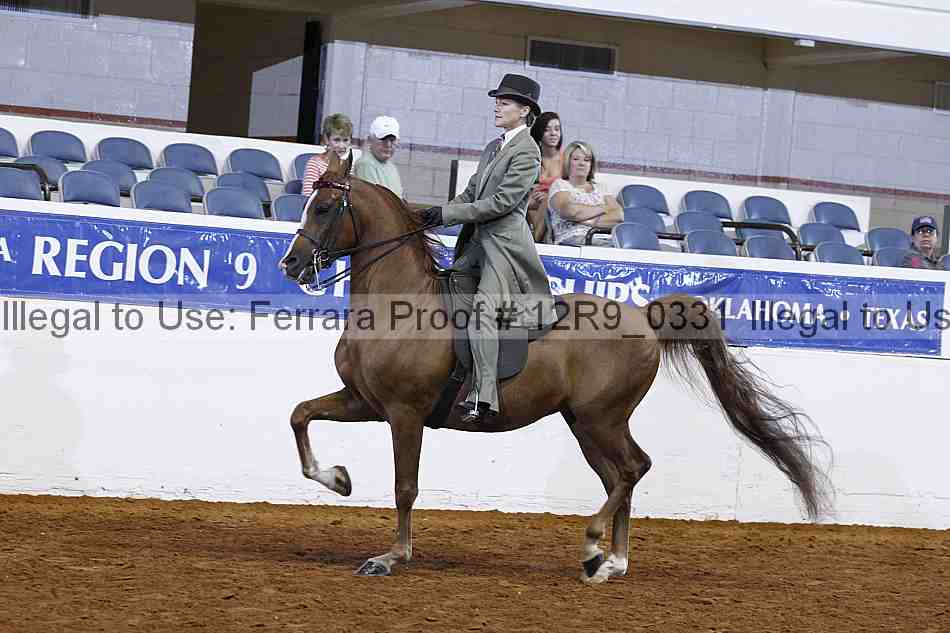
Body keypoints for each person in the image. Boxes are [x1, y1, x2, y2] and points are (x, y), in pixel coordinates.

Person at [417, 74, 556, 424]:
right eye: (497, 101)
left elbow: (501, 203)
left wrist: (447, 215)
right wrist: (432, 215)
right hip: (477, 243)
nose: (497, 107)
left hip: (504, 248)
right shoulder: (494, 147)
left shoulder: (528, 152)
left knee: (483, 311)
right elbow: (471, 193)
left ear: (524, 111)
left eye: (505, 102)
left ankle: (484, 394)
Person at [546, 141, 623, 246]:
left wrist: (585, 220)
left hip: (604, 238)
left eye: (587, 160)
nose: (581, 163)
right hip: (573, 239)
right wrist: (604, 208)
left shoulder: (601, 187)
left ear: (591, 165)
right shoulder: (560, 185)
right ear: (568, 162)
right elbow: (571, 212)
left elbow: (619, 217)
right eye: (576, 159)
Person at [526, 112, 563, 242]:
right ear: (539, 133)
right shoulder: (531, 160)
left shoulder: (567, 159)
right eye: (547, 130)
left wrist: (548, 196)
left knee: (547, 200)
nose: (553, 133)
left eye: (557, 129)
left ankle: (535, 240)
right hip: (533, 206)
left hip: (558, 208)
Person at [302, 113, 353, 197]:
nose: (342, 146)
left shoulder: (350, 166)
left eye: (345, 140)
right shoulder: (315, 163)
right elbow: (308, 197)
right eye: (336, 140)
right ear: (326, 139)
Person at [353, 115, 403, 198]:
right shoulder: (365, 164)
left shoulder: (391, 167)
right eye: (383, 139)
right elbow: (373, 200)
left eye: (392, 140)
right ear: (370, 140)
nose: (388, 145)